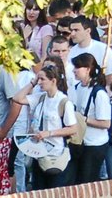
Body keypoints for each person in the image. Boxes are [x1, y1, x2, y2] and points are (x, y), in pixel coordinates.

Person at [20, 62, 76, 191]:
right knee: (38, 191)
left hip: (55, 155)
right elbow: (18, 98)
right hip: (38, 153)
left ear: (53, 81)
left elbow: (73, 128)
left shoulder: (63, 101)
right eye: (38, 79)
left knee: (54, 193)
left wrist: (49, 133)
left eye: (42, 79)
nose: (40, 82)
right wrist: (32, 83)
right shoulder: (40, 97)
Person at [67, 54, 112, 185]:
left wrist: (83, 119)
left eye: (78, 67)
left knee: (87, 182)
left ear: (88, 69)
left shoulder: (99, 93)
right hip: (80, 143)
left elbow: (106, 123)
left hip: (94, 144)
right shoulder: (77, 88)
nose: (74, 70)